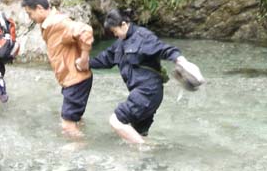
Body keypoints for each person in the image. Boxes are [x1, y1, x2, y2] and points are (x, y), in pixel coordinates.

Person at [87, 8, 204, 144]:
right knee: (136, 135)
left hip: (148, 93)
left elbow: (165, 50)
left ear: (124, 24)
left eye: (115, 31)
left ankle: (146, 149)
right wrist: (85, 64)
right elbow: (104, 60)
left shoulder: (143, 37)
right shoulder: (118, 45)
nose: (115, 35)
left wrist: (182, 62)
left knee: (116, 121)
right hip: (142, 94)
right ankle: (147, 157)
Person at [21, 0, 94, 137]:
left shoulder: (58, 23)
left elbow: (86, 31)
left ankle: (79, 148)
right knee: (73, 119)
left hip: (75, 80)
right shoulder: (50, 23)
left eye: (30, 14)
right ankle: (79, 137)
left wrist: (84, 58)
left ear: (40, 8)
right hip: (73, 79)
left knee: (67, 125)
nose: (30, 18)